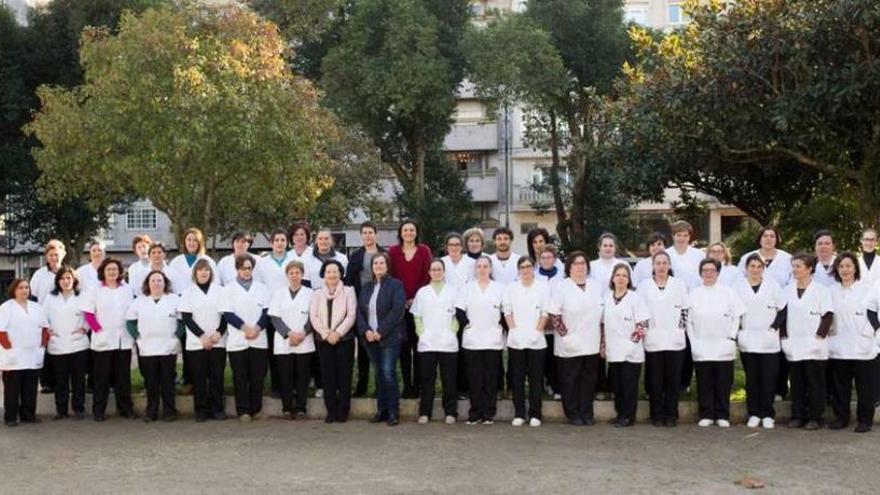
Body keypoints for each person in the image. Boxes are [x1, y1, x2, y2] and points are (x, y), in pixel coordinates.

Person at [735, 225, 792, 401]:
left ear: (777, 239)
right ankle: (756, 396)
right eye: (765, 236)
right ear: (759, 238)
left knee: (778, 355)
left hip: (778, 308)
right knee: (753, 363)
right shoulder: (748, 257)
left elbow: (791, 282)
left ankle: (779, 390)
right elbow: (739, 283)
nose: (768, 239)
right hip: (751, 314)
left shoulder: (786, 258)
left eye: (772, 236)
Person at [688, 258, 746, 428]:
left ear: (718, 273)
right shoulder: (694, 293)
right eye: (705, 270)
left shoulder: (728, 292)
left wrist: (731, 336)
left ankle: (722, 414)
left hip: (723, 344)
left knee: (723, 381)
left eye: (712, 270)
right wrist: (693, 342)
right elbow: (688, 321)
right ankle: (706, 413)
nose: (708, 273)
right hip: (701, 343)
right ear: (700, 273)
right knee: (704, 380)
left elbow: (737, 316)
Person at [548, 251, 603, 426]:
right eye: (576, 263)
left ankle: (587, 412)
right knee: (570, 380)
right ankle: (572, 413)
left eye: (583, 263)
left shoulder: (596, 286)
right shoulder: (562, 287)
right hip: (569, 343)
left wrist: (602, 341)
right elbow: (554, 316)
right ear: (569, 267)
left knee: (589, 380)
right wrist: (566, 336)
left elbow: (602, 316)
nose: (580, 267)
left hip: (591, 342)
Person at [636, 251, 690, 427]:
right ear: (653, 266)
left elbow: (685, 310)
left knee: (673, 380)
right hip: (653, 338)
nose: (661, 266)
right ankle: (657, 415)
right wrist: (645, 330)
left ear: (670, 265)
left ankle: (671, 414)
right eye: (658, 263)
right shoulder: (644, 286)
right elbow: (640, 312)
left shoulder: (679, 284)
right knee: (655, 380)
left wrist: (679, 329)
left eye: (664, 263)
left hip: (675, 339)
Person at [735, 253, 786, 429]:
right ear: (746, 268)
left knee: (768, 379)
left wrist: (774, 328)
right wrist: (737, 331)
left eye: (759, 267)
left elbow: (782, 309)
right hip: (747, 339)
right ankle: (754, 413)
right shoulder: (738, 286)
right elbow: (733, 312)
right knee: (752, 379)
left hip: (769, 340)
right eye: (752, 266)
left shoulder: (773, 285)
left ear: (763, 269)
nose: (755, 270)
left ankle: (768, 414)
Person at [782, 253, 833, 430]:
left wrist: (820, 335)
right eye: (794, 266)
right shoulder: (787, 289)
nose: (795, 269)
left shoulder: (821, 290)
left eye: (798, 266)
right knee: (796, 383)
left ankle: (815, 417)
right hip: (794, 342)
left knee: (815, 382)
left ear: (809, 269)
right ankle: (797, 416)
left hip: (815, 343)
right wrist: (784, 335)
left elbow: (827, 315)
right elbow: (782, 313)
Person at [81, 258, 136, 421]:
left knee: (123, 378)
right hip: (103, 340)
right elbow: (88, 313)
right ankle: (99, 411)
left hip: (123, 340)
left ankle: (125, 409)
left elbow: (132, 311)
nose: (112, 272)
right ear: (103, 272)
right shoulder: (94, 289)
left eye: (115, 269)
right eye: (109, 269)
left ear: (120, 272)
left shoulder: (127, 289)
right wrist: (97, 330)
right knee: (101, 378)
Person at [828, 252, 876, 433]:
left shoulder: (867, 289)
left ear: (855, 268)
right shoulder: (832, 291)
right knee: (841, 387)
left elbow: (875, 312)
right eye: (841, 266)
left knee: (865, 388)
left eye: (848, 265)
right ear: (837, 270)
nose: (845, 269)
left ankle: (865, 420)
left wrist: (868, 334)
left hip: (863, 346)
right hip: (839, 346)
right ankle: (842, 417)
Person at [126, 270, 182, 422]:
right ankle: (151, 411)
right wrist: (137, 337)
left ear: (165, 283)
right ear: (147, 284)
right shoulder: (139, 301)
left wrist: (176, 337)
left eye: (159, 281)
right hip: (147, 347)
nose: (156, 283)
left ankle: (170, 411)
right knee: (151, 382)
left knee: (167, 381)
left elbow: (182, 321)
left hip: (168, 346)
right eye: (153, 281)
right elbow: (130, 322)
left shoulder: (174, 299)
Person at [358, 253, 405, 426]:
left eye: (381, 263)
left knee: (387, 372)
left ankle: (393, 411)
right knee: (378, 374)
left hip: (389, 337)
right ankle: (381, 410)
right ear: (372, 267)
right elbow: (360, 313)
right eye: (375, 263)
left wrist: (381, 331)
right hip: (370, 338)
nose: (378, 265)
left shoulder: (396, 285)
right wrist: (366, 331)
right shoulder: (367, 287)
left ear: (387, 265)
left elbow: (397, 310)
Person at [221, 254, 271, 422]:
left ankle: (256, 409)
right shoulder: (228, 289)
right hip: (238, 339)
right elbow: (228, 314)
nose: (246, 271)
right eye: (243, 268)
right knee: (240, 376)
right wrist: (245, 329)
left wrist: (256, 328)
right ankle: (243, 411)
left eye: (249, 268)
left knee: (258, 376)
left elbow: (266, 312)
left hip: (258, 337)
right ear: (237, 269)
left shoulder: (262, 288)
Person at [503, 256, 550, 427]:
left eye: (529, 266)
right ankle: (519, 413)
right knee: (517, 378)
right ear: (518, 270)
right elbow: (507, 311)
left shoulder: (542, 288)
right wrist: (513, 330)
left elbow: (545, 312)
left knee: (536, 379)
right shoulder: (511, 288)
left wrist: (538, 331)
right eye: (522, 267)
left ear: (533, 268)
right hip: (516, 339)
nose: (525, 269)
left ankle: (535, 414)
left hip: (536, 340)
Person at [457, 256, 504, 425]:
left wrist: (499, 326)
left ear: (490, 269)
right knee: (475, 378)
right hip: (472, 339)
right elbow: (459, 311)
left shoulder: (499, 288)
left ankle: (489, 413)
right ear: (475, 270)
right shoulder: (466, 289)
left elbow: (506, 311)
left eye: (485, 266)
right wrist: (468, 324)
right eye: (479, 266)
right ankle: (475, 413)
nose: (482, 269)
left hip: (493, 338)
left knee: (490, 378)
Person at [411, 258, 459, 425]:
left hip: (448, 342)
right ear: (429, 272)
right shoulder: (422, 292)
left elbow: (458, 315)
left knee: (449, 379)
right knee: (427, 379)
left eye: (439, 269)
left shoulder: (453, 291)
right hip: (427, 342)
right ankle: (425, 412)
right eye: (433, 270)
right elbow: (417, 315)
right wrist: (421, 333)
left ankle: (451, 412)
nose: (437, 272)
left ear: (444, 272)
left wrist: (453, 330)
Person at [388, 220, 432, 399]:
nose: (408, 233)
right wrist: (403, 300)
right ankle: (407, 386)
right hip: (399, 307)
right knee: (404, 349)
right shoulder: (393, 252)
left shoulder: (424, 251)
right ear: (400, 232)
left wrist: (415, 299)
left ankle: (419, 386)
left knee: (419, 346)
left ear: (416, 232)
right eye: (405, 230)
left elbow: (428, 276)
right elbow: (391, 276)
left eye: (412, 230)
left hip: (420, 307)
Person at [309, 259, 357, 423]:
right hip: (323, 340)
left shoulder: (349, 291)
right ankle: (331, 411)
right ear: (324, 274)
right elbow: (313, 317)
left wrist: (338, 333)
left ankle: (343, 410)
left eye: (335, 271)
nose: (332, 274)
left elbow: (351, 315)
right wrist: (326, 333)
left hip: (345, 339)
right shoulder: (316, 293)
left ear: (340, 273)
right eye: (329, 271)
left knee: (344, 375)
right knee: (327, 376)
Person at [180, 259, 228, 422]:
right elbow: (187, 318)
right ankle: (200, 410)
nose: (203, 272)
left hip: (217, 341)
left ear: (211, 272)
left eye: (206, 270)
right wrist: (202, 336)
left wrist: (219, 333)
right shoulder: (188, 292)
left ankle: (217, 409)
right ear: (195, 273)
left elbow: (225, 315)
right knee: (199, 378)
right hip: (197, 342)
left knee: (217, 377)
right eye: (200, 270)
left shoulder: (220, 291)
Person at [602, 263, 650, 428]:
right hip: (613, 349)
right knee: (617, 385)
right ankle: (620, 413)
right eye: (618, 275)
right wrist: (602, 345)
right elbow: (602, 323)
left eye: (624, 275)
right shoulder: (606, 297)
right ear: (613, 278)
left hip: (631, 351)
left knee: (629, 385)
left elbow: (642, 323)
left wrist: (633, 343)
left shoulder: (635, 298)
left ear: (629, 279)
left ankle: (628, 417)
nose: (621, 278)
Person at [269, 261, 316, 420]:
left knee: (303, 377)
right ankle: (287, 408)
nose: (295, 276)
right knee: (285, 376)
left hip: (305, 339)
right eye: (292, 273)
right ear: (287, 275)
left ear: (302, 275)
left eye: (297, 273)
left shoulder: (311, 293)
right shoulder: (278, 293)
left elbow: (313, 317)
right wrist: (289, 334)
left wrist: (302, 334)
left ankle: (301, 408)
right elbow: (275, 317)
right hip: (284, 341)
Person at [0, 279, 48, 426]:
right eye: (20, 288)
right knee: (12, 389)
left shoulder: (37, 307)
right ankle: (11, 417)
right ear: (14, 290)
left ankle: (28, 415)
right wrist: (8, 347)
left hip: (33, 354)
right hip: (14, 355)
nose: (24, 290)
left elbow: (45, 327)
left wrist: (42, 344)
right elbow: (1, 331)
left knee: (30, 387)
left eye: (26, 287)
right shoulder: (6, 307)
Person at [345, 221, 384, 398]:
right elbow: (349, 281)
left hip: (381, 304)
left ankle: (379, 386)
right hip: (362, 304)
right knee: (362, 349)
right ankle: (361, 386)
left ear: (376, 234)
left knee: (380, 348)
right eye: (365, 233)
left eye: (371, 232)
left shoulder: (384, 254)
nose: (368, 235)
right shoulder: (355, 256)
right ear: (361, 236)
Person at [44, 267, 89, 420]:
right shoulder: (50, 298)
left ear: (74, 279)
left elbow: (92, 317)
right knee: (60, 380)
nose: (66, 281)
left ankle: (78, 409)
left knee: (78, 380)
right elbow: (43, 318)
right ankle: (61, 410)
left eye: (68, 278)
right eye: (62, 278)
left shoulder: (82, 296)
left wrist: (86, 328)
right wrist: (48, 330)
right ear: (58, 281)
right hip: (57, 344)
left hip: (78, 345)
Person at [254, 228, 290, 395]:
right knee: (272, 350)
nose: (280, 243)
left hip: (289, 310)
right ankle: (276, 385)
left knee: (288, 348)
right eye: (276, 240)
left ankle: (290, 385)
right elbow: (259, 287)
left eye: (283, 240)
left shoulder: (293, 259)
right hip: (269, 311)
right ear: (271, 243)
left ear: (287, 242)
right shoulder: (262, 263)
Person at [30, 240, 65, 394]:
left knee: (63, 351)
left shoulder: (67, 273)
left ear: (63, 255)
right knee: (45, 350)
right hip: (44, 318)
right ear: (46, 257)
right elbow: (33, 296)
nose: (54, 258)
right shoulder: (39, 274)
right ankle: (46, 383)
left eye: (57, 255)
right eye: (51, 255)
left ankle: (63, 382)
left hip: (64, 318)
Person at [536, 245, 564, 399]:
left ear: (554, 259)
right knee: (541, 358)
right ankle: (542, 385)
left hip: (555, 325)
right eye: (543, 257)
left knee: (555, 358)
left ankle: (556, 387)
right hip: (539, 324)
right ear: (539, 260)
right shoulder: (534, 277)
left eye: (549, 257)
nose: (546, 260)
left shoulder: (562, 278)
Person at [168, 228, 218, 295]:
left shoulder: (208, 261)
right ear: (185, 242)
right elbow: (169, 284)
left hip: (202, 299)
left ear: (199, 243)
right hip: (179, 300)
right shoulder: (175, 262)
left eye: (195, 240)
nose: (191, 243)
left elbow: (215, 282)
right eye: (189, 240)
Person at [665, 220, 704, 289]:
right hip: (673, 293)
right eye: (679, 235)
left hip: (695, 293)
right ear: (673, 236)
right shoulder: (666, 254)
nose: (682, 238)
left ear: (689, 237)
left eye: (685, 235)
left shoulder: (699, 254)